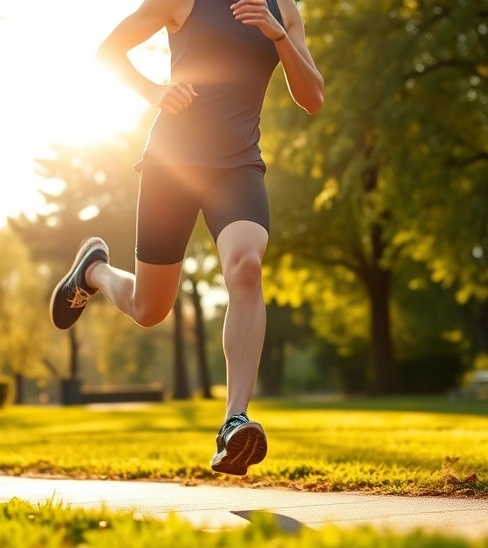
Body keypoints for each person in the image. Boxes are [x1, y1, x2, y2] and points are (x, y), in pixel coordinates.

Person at [48, 0, 323, 476]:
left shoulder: (284, 9)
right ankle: (93, 271)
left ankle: (233, 420)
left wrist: (279, 36)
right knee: (150, 309)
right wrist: (152, 89)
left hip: (238, 165)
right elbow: (109, 51)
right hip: (171, 163)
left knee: (246, 266)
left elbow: (314, 97)